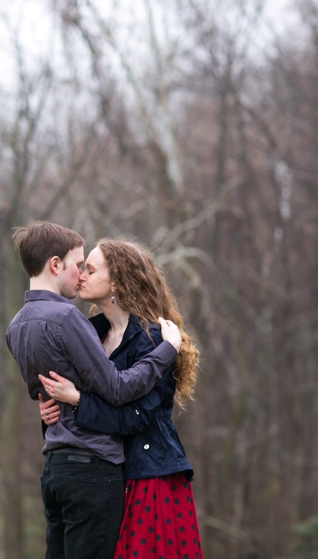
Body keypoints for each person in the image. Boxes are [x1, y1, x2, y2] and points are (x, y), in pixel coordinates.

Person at [5, 222, 182, 559]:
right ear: (55, 265)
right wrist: (168, 350)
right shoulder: (68, 319)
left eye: (88, 267)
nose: (80, 274)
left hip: (54, 468)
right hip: (93, 469)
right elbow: (116, 388)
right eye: (78, 265)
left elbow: (43, 393)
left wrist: (59, 405)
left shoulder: (15, 327)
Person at [38, 237, 203, 559]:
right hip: (101, 473)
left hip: (147, 476)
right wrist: (51, 414)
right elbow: (73, 404)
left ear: (117, 281)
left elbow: (138, 419)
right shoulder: (89, 334)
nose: (80, 275)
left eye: (90, 269)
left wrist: (77, 401)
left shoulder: (154, 339)